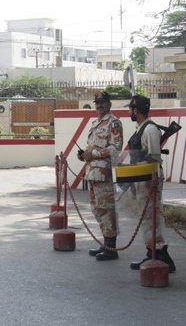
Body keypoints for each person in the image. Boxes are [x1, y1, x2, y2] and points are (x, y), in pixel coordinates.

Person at [125, 95, 176, 272]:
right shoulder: (141, 128)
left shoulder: (150, 129)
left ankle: (161, 255)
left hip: (149, 179)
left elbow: (154, 158)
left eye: (130, 109)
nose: (129, 112)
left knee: (150, 218)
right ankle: (151, 252)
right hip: (141, 178)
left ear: (136, 110)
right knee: (145, 218)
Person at [77, 91, 123, 261]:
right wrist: (84, 154)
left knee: (107, 210)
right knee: (96, 209)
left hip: (104, 173)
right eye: (97, 103)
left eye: (103, 102)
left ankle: (111, 248)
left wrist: (94, 154)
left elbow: (115, 148)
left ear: (109, 104)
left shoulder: (114, 123)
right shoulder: (95, 123)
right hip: (92, 173)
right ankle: (105, 243)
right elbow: (91, 147)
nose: (99, 105)